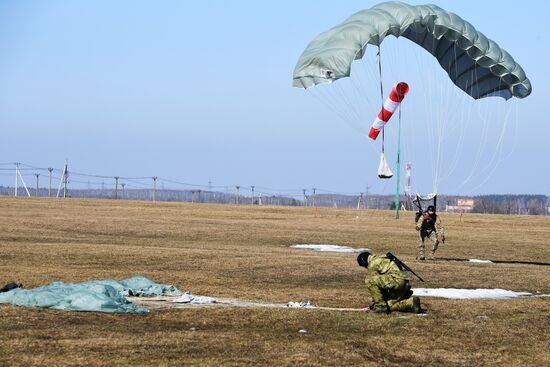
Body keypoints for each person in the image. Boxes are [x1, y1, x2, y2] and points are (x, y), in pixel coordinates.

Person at [357, 251, 422, 314]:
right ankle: (411, 302)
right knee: (388, 306)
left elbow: (376, 285)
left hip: (396, 281)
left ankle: (380, 307)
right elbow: (382, 283)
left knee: (369, 280)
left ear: (364, 262)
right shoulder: (382, 258)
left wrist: (378, 302)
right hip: (404, 283)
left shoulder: (372, 264)